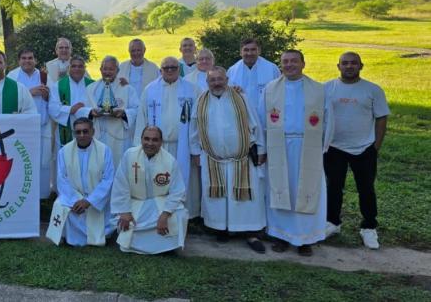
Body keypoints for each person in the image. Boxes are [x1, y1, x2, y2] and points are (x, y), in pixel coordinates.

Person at [259, 50, 334, 257]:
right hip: (279, 147)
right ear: (280, 65)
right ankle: (281, 236)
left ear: (303, 63)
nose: (289, 65)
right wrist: (262, 148)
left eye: (294, 61)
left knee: (307, 191)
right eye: (285, 62)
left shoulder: (318, 89)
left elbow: (328, 119)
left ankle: (305, 239)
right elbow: (261, 120)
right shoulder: (270, 89)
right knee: (282, 189)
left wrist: (323, 147)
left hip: (307, 147)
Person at [190, 67, 267, 253]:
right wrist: (195, 153)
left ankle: (251, 233)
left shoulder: (240, 97)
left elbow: (254, 123)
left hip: (241, 159)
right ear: (207, 82)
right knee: (219, 197)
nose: (216, 83)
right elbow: (194, 128)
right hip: (212, 159)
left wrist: (262, 149)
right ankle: (221, 228)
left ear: (227, 79)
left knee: (245, 199)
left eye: (220, 79)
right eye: (212, 80)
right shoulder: (201, 100)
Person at [323, 52, 389, 250]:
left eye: (353, 63)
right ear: (338, 66)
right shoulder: (327, 88)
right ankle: (333, 222)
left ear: (361, 66)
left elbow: (382, 118)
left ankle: (368, 227)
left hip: (364, 148)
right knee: (333, 187)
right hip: (334, 147)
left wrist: (375, 146)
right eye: (345, 63)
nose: (349, 66)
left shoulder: (372, 90)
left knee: (366, 189)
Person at [134, 56, 201, 218]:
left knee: (184, 180)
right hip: (157, 146)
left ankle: (187, 216)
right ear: (160, 70)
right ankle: (156, 214)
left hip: (183, 146)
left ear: (179, 69)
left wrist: (196, 148)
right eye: (166, 68)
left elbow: (197, 120)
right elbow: (142, 118)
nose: (170, 70)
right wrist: (139, 146)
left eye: (173, 67)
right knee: (159, 179)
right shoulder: (150, 90)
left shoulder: (192, 89)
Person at [112, 126, 188, 254]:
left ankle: (165, 247)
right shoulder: (129, 156)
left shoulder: (170, 161)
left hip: (160, 203)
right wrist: (125, 211)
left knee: (179, 214)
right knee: (126, 220)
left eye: (155, 140)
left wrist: (164, 215)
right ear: (141, 139)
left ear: (161, 142)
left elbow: (178, 191)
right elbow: (120, 185)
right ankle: (137, 245)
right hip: (135, 203)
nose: (150, 143)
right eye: (146, 139)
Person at [46, 118, 116, 247]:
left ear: (93, 131)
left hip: (96, 201)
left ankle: (100, 234)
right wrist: (76, 200)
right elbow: (62, 180)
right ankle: (70, 236)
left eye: (85, 131)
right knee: (61, 205)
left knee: (99, 216)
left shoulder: (105, 151)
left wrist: (89, 201)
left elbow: (108, 180)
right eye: (78, 132)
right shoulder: (64, 152)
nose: (82, 135)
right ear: (74, 133)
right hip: (73, 200)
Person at [8, 48, 52, 198]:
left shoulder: (44, 76)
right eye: (24, 58)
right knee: (22, 162)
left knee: (41, 162)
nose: (27, 61)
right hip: (20, 129)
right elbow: (9, 100)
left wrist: (47, 97)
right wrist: (29, 92)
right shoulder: (12, 76)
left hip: (41, 126)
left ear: (35, 60)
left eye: (30, 58)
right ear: (19, 60)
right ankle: (19, 195)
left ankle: (41, 198)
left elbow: (54, 100)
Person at [86, 55, 139, 167]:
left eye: (111, 69)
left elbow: (137, 109)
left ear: (117, 70)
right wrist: (91, 112)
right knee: (98, 168)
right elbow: (83, 107)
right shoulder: (91, 88)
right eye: (105, 69)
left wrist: (124, 113)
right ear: (100, 70)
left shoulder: (127, 89)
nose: (107, 72)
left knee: (118, 167)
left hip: (119, 138)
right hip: (97, 136)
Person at [49, 56, 94, 146]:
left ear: (85, 69)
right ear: (68, 68)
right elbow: (52, 108)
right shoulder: (58, 85)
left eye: (80, 66)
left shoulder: (93, 85)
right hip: (66, 131)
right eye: (74, 66)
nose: (77, 69)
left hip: (88, 130)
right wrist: (70, 109)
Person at [227, 37, 281, 108]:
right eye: (246, 50)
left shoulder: (272, 69)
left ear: (259, 51)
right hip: (242, 114)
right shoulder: (232, 71)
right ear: (240, 52)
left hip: (265, 114)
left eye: (253, 50)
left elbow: (280, 93)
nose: (249, 53)